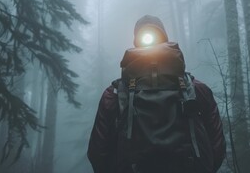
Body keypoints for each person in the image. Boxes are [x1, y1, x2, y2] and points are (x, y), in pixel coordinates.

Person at [87, 15, 226, 173]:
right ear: (165, 40)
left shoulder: (114, 94)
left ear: (136, 43)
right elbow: (217, 146)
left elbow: (97, 152)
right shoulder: (196, 89)